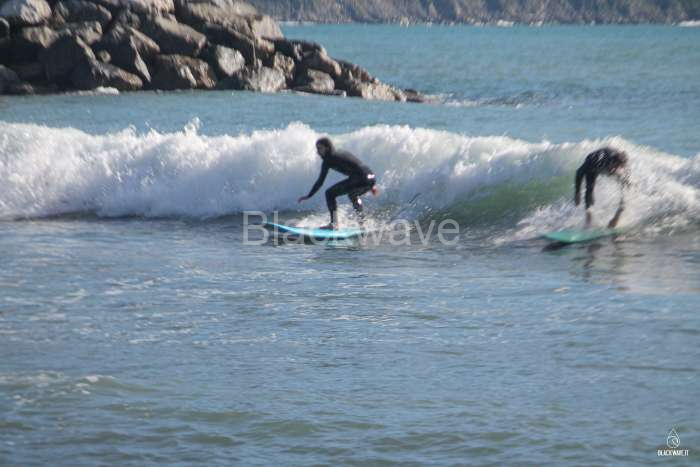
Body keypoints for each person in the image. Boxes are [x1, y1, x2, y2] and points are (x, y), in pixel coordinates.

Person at [298, 137, 378, 229]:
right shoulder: (340, 153)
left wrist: (309, 196)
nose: (317, 152)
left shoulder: (328, 159)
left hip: (361, 178)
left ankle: (334, 224)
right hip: (370, 177)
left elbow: (320, 181)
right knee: (352, 194)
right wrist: (372, 184)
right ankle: (362, 224)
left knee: (329, 193)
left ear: (327, 148)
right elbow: (359, 166)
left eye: (319, 148)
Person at [574, 147, 630, 228]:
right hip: (594, 162)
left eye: (617, 168)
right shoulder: (596, 161)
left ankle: (617, 217)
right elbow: (579, 172)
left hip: (612, 159)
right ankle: (588, 219)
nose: (613, 170)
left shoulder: (623, 170)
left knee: (626, 186)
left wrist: (617, 216)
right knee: (589, 188)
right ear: (611, 162)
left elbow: (625, 194)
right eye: (613, 167)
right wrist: (577, 192)